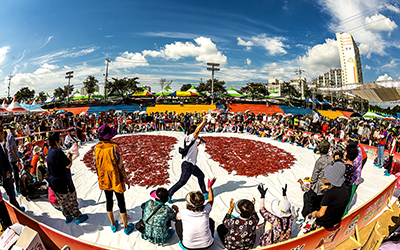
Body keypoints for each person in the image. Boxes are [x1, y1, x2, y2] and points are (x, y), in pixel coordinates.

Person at [93, 124, 135, 235]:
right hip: (115, 177)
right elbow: (120, 166)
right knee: (121, 201)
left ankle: (112, 225)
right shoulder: (114, 148)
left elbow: (96, 165)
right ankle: (126, 226)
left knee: (109, 200)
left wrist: (100, 177)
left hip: (104, 178)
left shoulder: (96, 148)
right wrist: (126, 179)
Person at [47, 132, 88, 225]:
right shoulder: (57, 152)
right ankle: (77, 217)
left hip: (54, 183)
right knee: (71, 199)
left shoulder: (50, 151)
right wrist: (69, 154)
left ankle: (68, 216)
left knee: (62, 201)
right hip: (62, 181)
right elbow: (68, 164)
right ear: (57, 141)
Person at [168, 116, 208, 201]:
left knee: (201, 175)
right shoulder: (190, 137)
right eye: (197, 133)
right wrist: (203, 122)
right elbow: (197, 130)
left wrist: (199, 143)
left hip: (192, 165)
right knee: (182, 182)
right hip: (187, 165)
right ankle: (169, 194)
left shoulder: (192, 140)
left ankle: (204, 193)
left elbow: (191, 148)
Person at [175, 179, 216, 250]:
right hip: (207, 245)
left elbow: (177, 218)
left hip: (188, 246)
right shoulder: (206, 210)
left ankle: (181, 241)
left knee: (178, 223)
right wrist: (209, 187)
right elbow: (211, 201)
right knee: (210, 221)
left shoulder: (183, 212)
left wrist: (177, 211)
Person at [311, 162, 349, 229]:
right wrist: (327, 187)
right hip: (337, 220)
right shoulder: (344, 188)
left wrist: (315, 213)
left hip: (326, 223)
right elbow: (336, 191)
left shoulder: (329, 194)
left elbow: (321, 213)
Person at [301, 140, 333, 218]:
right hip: (326, 185)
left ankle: (307, 215)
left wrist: (311, 184)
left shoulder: (320, 161)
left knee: (308, 198)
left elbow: (315, 175)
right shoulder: (331, 160)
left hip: (318, 187)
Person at [0, 126, 24, 211]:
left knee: (11, 193)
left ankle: (16, 207)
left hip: (6, 171)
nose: (3, 135)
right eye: (2, 133)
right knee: (11, 193)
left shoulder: (2, 143)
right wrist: (4, 173)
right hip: (6, 174)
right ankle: (17, 209)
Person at [5, 122, 22, 193]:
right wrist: (17, 157)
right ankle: (17, 188)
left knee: (15, 172)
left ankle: (17, 187)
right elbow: (12, 148)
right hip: (13, 157)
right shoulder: (11, 136)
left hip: (10, 156)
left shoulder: (9, 134)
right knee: (16, 173)